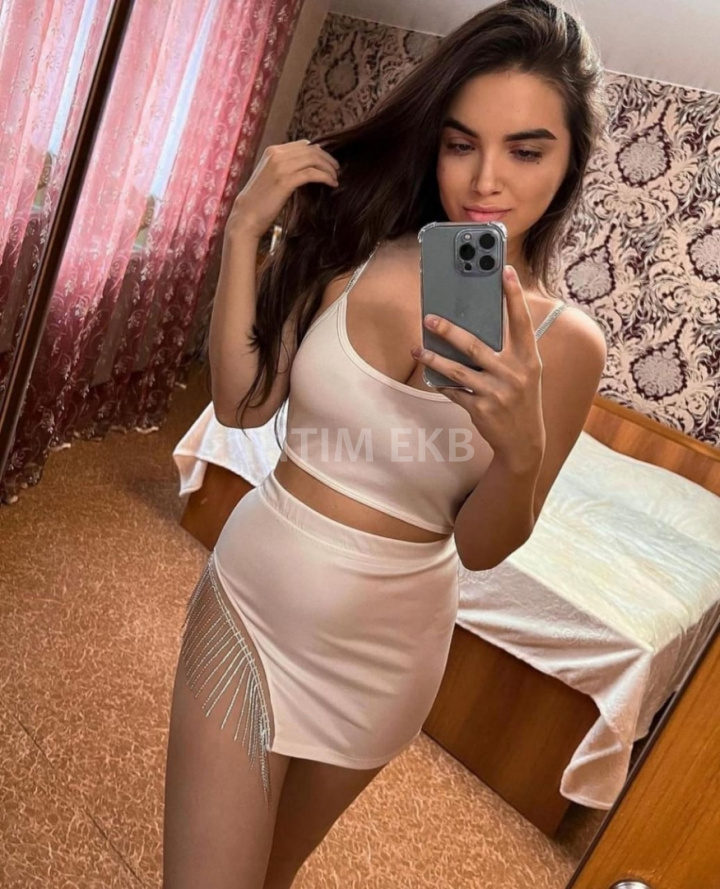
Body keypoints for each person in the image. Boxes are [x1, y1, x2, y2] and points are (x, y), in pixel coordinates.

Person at [162, 1, 610, 886]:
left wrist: (519, 448)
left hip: (391, 651)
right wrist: (244, 231)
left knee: (271, 875)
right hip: (256, 603)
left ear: (570, 162)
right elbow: (241, 406)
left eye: (526, 150)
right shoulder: (358, 245)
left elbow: (480, 546)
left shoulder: (567, 345)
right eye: (460, 142)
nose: (486, 179)